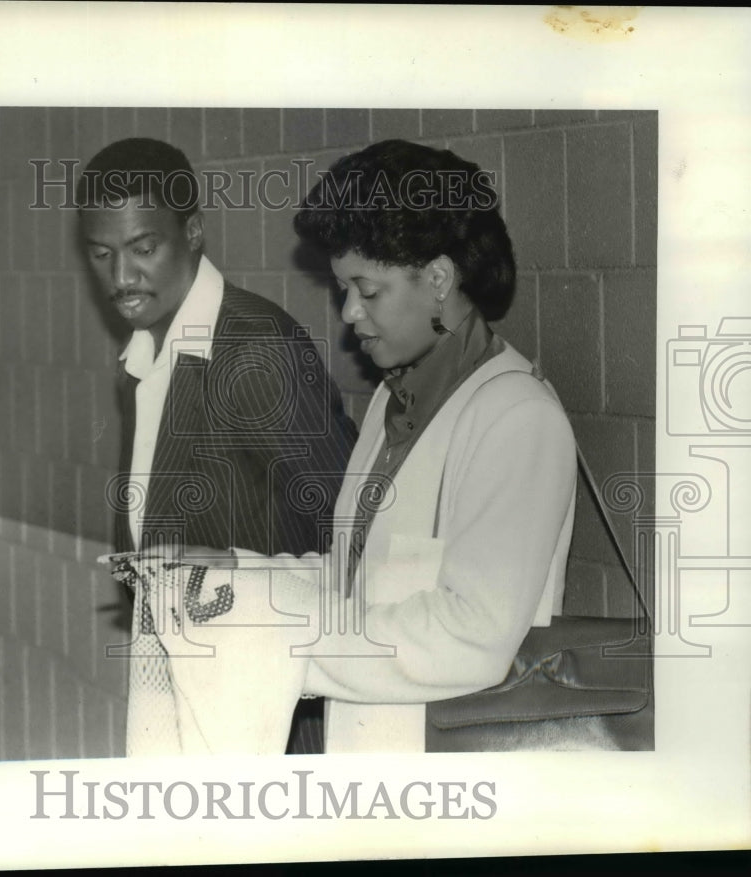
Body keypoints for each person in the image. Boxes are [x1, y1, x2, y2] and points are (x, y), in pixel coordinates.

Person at [146, 139, 578, 754]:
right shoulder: (394, 397)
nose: (349, 311)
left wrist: (278, 642)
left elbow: (473, 635)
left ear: (437, 279)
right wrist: (242, 573)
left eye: (367, 290)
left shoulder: (518, 419)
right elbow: (362, 585)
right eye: (343, 289)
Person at [76, 138, 358, 756]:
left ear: (194, 231)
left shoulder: (253, 348)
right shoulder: (150, 354)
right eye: (102, 254)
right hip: (201, 708)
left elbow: (357, 537)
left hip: (281, 725)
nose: (122, 278)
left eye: (144, 249)